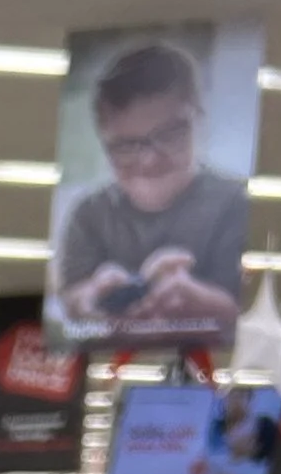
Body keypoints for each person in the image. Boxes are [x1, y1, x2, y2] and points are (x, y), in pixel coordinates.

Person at [55, 42, 248, 341]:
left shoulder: (237, 202)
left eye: (170, 134)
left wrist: (198, 299)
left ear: (200, 119)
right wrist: (94, 295)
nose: (148, 159)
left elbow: (248, 309)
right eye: (126, 146)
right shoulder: (88, 213)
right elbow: (71, 298)